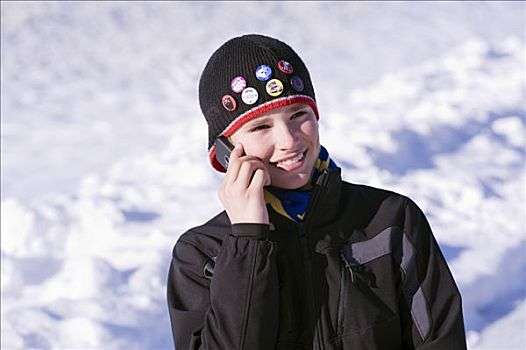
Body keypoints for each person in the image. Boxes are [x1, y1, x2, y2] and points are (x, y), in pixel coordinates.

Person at [166, 34, 467, 349]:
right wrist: (247, 241)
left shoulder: (391, 220)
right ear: (225, 150)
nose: (289, 140)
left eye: (299, 115)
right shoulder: (201, 254)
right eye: (260, 127)